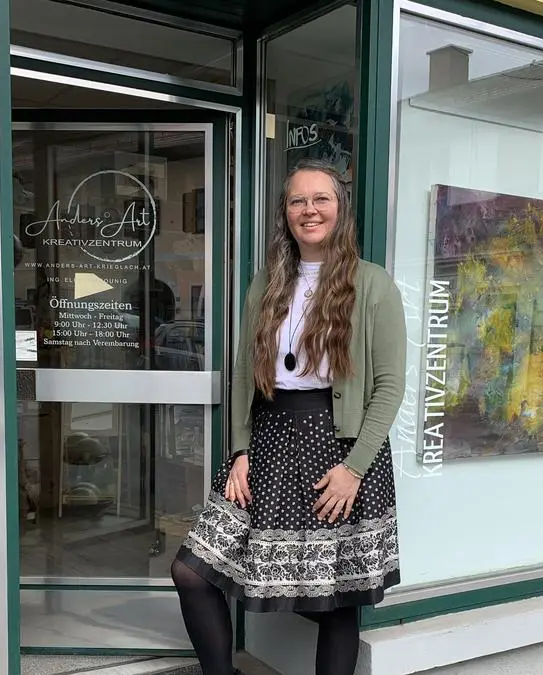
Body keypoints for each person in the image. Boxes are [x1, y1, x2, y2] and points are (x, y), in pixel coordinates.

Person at [171, 159, 406, 675]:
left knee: (336, 600)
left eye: (321, 198)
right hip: (269, 441)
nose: (309, 210)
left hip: (338, 451)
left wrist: (354, 469)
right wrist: (239, 450)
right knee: (192, 571)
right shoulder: (268, 283)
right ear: (286, 212)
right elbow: (244, 375)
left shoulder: (373, 285)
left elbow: (390, 387)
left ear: (341, 208)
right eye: (298, 200)